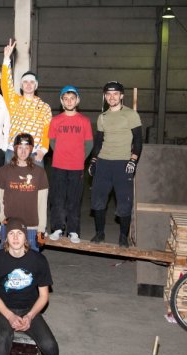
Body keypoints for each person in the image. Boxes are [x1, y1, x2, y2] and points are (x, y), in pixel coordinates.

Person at [0, 218, 71, 355]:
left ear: (26, 237)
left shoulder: (38, 260)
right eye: (11, 233)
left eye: (19, 233)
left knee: (49, 344)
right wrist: (10, 316)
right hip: (3, 309)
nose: (15, 237)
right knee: (2, 339)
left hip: (29, 308)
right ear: (5, 238)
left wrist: (30, 316)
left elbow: (44, 296)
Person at [89, 81, 142, 247]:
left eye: (115, 94)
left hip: (123, 163)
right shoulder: (102, 117)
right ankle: (99, 233)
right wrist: (93, 160)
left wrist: (133, 160)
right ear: (105, 96)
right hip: (104, 162)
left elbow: (138, 140)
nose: (112, 97)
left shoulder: (131, 115)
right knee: (98, 200)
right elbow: (98, 142)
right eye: (108, 94)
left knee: (124, 201)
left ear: (121, 96)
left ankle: (123, 237)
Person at [48, 85, 93, 244]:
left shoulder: (84, 121)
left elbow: (89, 144)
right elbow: (52, 141)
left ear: (77, 100)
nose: (69, 101)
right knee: (58, 198)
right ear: (62, 101)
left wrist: (79, 158)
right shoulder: (55, 120)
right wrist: (62, 154)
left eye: (72, 98)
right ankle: (57, 228)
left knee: (74, 200)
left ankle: (73, 231)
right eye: (66, 99)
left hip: (76, 167)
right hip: (59, 165)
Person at [2, 39, 52, 166]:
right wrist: (6, 59)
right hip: (12, 151)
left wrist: (43, 150)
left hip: (35, 153)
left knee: (36, 180)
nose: (28, 85)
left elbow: (47, 130)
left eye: (32, 82)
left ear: (36, 86)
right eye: (25, 82)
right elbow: (6, 84)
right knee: (9, 180)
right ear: (21, 85)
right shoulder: (13, 101)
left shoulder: (45, 107)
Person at [0, 134, 48, 252]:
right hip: (10, 226)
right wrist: (2, 217)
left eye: (27, 148)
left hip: (32, 227)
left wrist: (41, 229)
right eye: (20, 147)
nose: (23, 151)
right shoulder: (3, 171)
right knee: (7, 260)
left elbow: (42, 202)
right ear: (15, 149)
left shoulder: (40, 173)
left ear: (31, 149)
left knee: (32, 261)